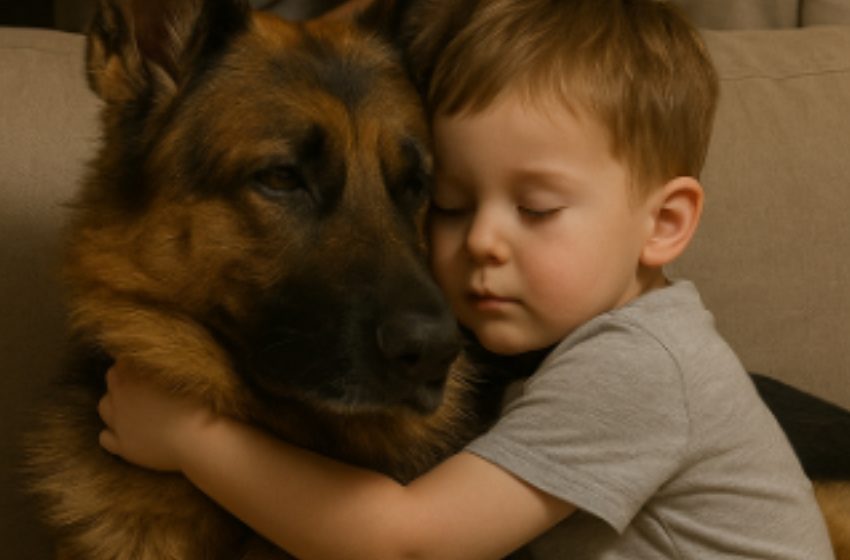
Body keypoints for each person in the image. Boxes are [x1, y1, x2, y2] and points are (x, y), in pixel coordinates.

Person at [96, 0, 835, 558]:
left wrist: (192, 437)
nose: (481, 241)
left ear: (665, 221)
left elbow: (405, 544)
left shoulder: (639, 371)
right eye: (450, 204)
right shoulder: (580, 369)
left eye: (537, 207)